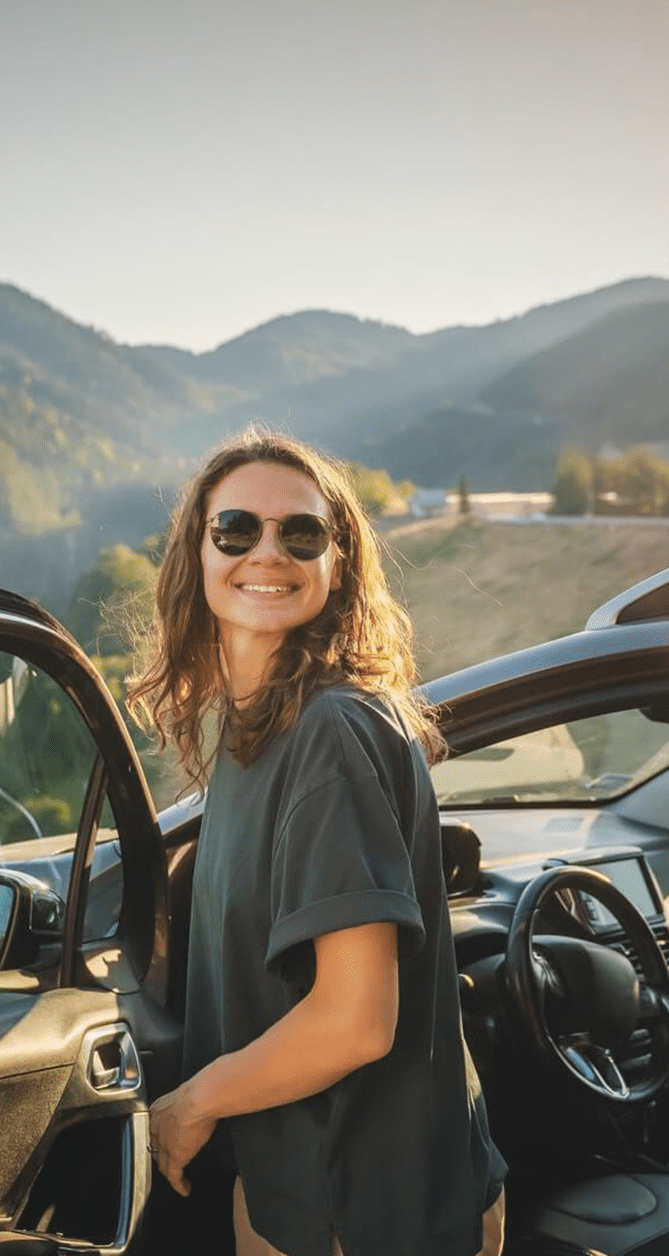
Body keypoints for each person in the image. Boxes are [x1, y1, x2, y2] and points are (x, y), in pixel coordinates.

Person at [129, 430, 506, 1256]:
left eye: (301, 533)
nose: (269, 552)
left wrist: (189, 1106)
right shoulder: (254, 731)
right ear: (197, 550)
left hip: (361, 1214)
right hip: (308, 1191)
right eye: (237, 530)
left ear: (338, 563)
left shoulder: (327, 731)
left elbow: (354, 1023)